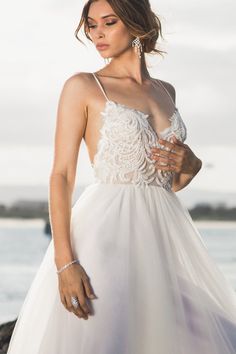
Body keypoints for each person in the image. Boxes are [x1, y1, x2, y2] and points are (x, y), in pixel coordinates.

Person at [6, 0, 236, 353]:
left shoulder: (166, 91)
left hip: (161, 240)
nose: (97, 33)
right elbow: (62, 174)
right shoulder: (83, 86)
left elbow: (164, 184)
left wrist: (193, 166)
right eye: (92, 25)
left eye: (109, 22)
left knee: (206, 335)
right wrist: (64, 262)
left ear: (136, 23)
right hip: (105, 237)